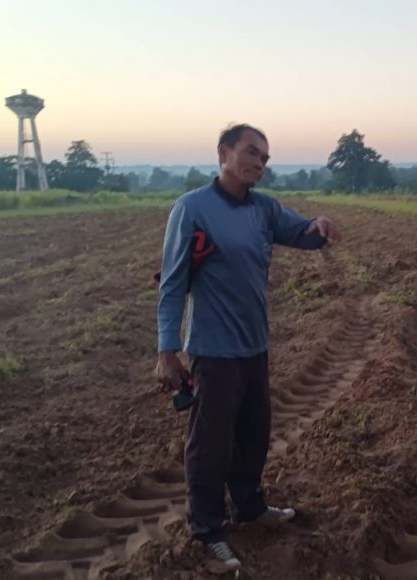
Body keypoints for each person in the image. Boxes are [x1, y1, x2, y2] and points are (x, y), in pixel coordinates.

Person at [154, 124, 340, 571]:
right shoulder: (192, 208)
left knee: (255, 432)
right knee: (210, 443)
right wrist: (167, 350)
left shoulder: (263, 208)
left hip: (255, 345)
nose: (259, 163)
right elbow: (173, 283)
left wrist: (319, 226)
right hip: (214, 349)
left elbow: (301, 232)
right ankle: (207, 530)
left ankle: (250, 507)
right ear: (224, 153)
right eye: (252, 153)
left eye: (265, 158)